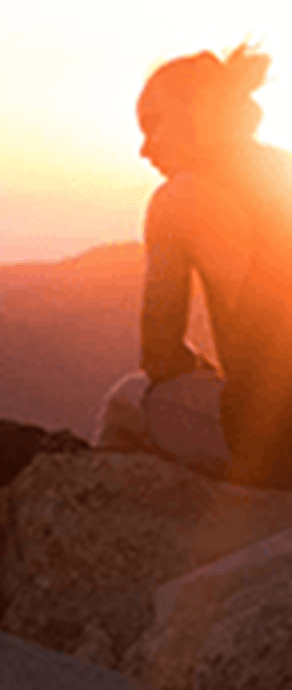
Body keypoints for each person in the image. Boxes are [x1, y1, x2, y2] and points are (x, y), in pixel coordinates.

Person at [94, 45, 292, 488]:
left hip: (276, 449)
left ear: (196, 115)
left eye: (153, 125)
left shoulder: (177, 200)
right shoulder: (284, 172)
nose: (144, 149)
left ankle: (107, 529)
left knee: (127, 399)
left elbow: (159, 357)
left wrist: (207, 370)